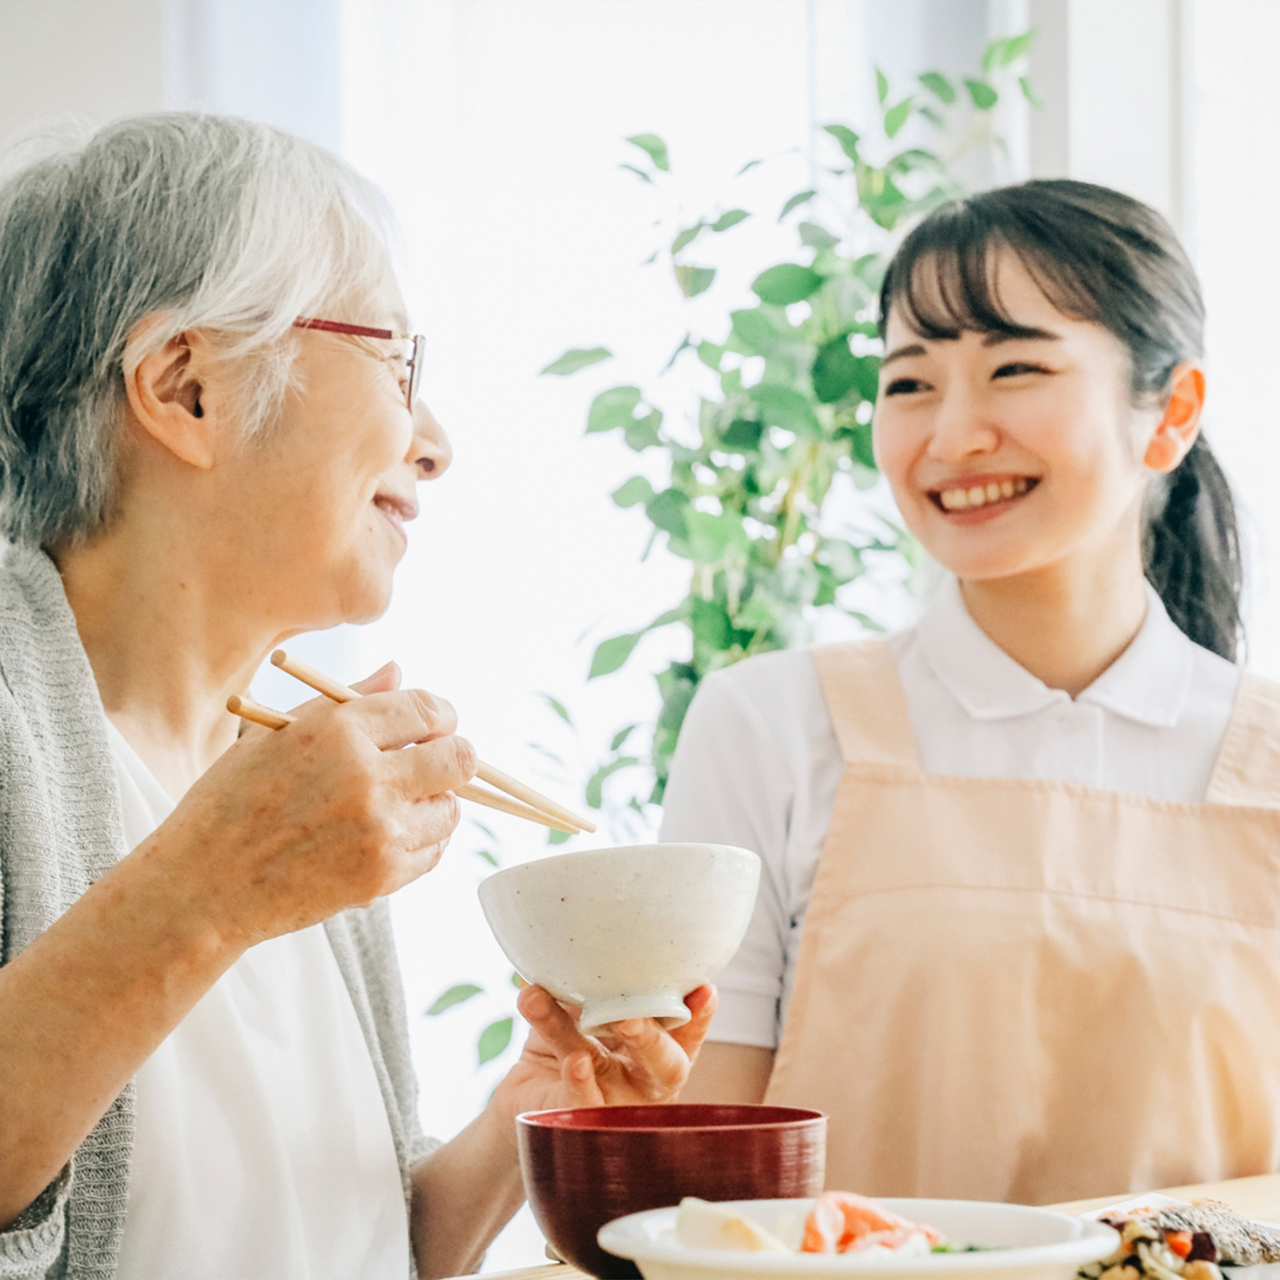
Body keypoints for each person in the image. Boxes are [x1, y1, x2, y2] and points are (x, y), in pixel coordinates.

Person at [0, 114, 715, 1280]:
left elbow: (366, 1242)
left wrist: (528, 1111)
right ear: (185, 387)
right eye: (397, 363)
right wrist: (217, 884)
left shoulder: (287, 760)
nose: (433, 443)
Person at [663, 179, 1280, 1205]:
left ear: (1169, 413)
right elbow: (704, 1190)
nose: (950, 437)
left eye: (1014, 369)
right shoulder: (767, 725)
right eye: (908, 383)